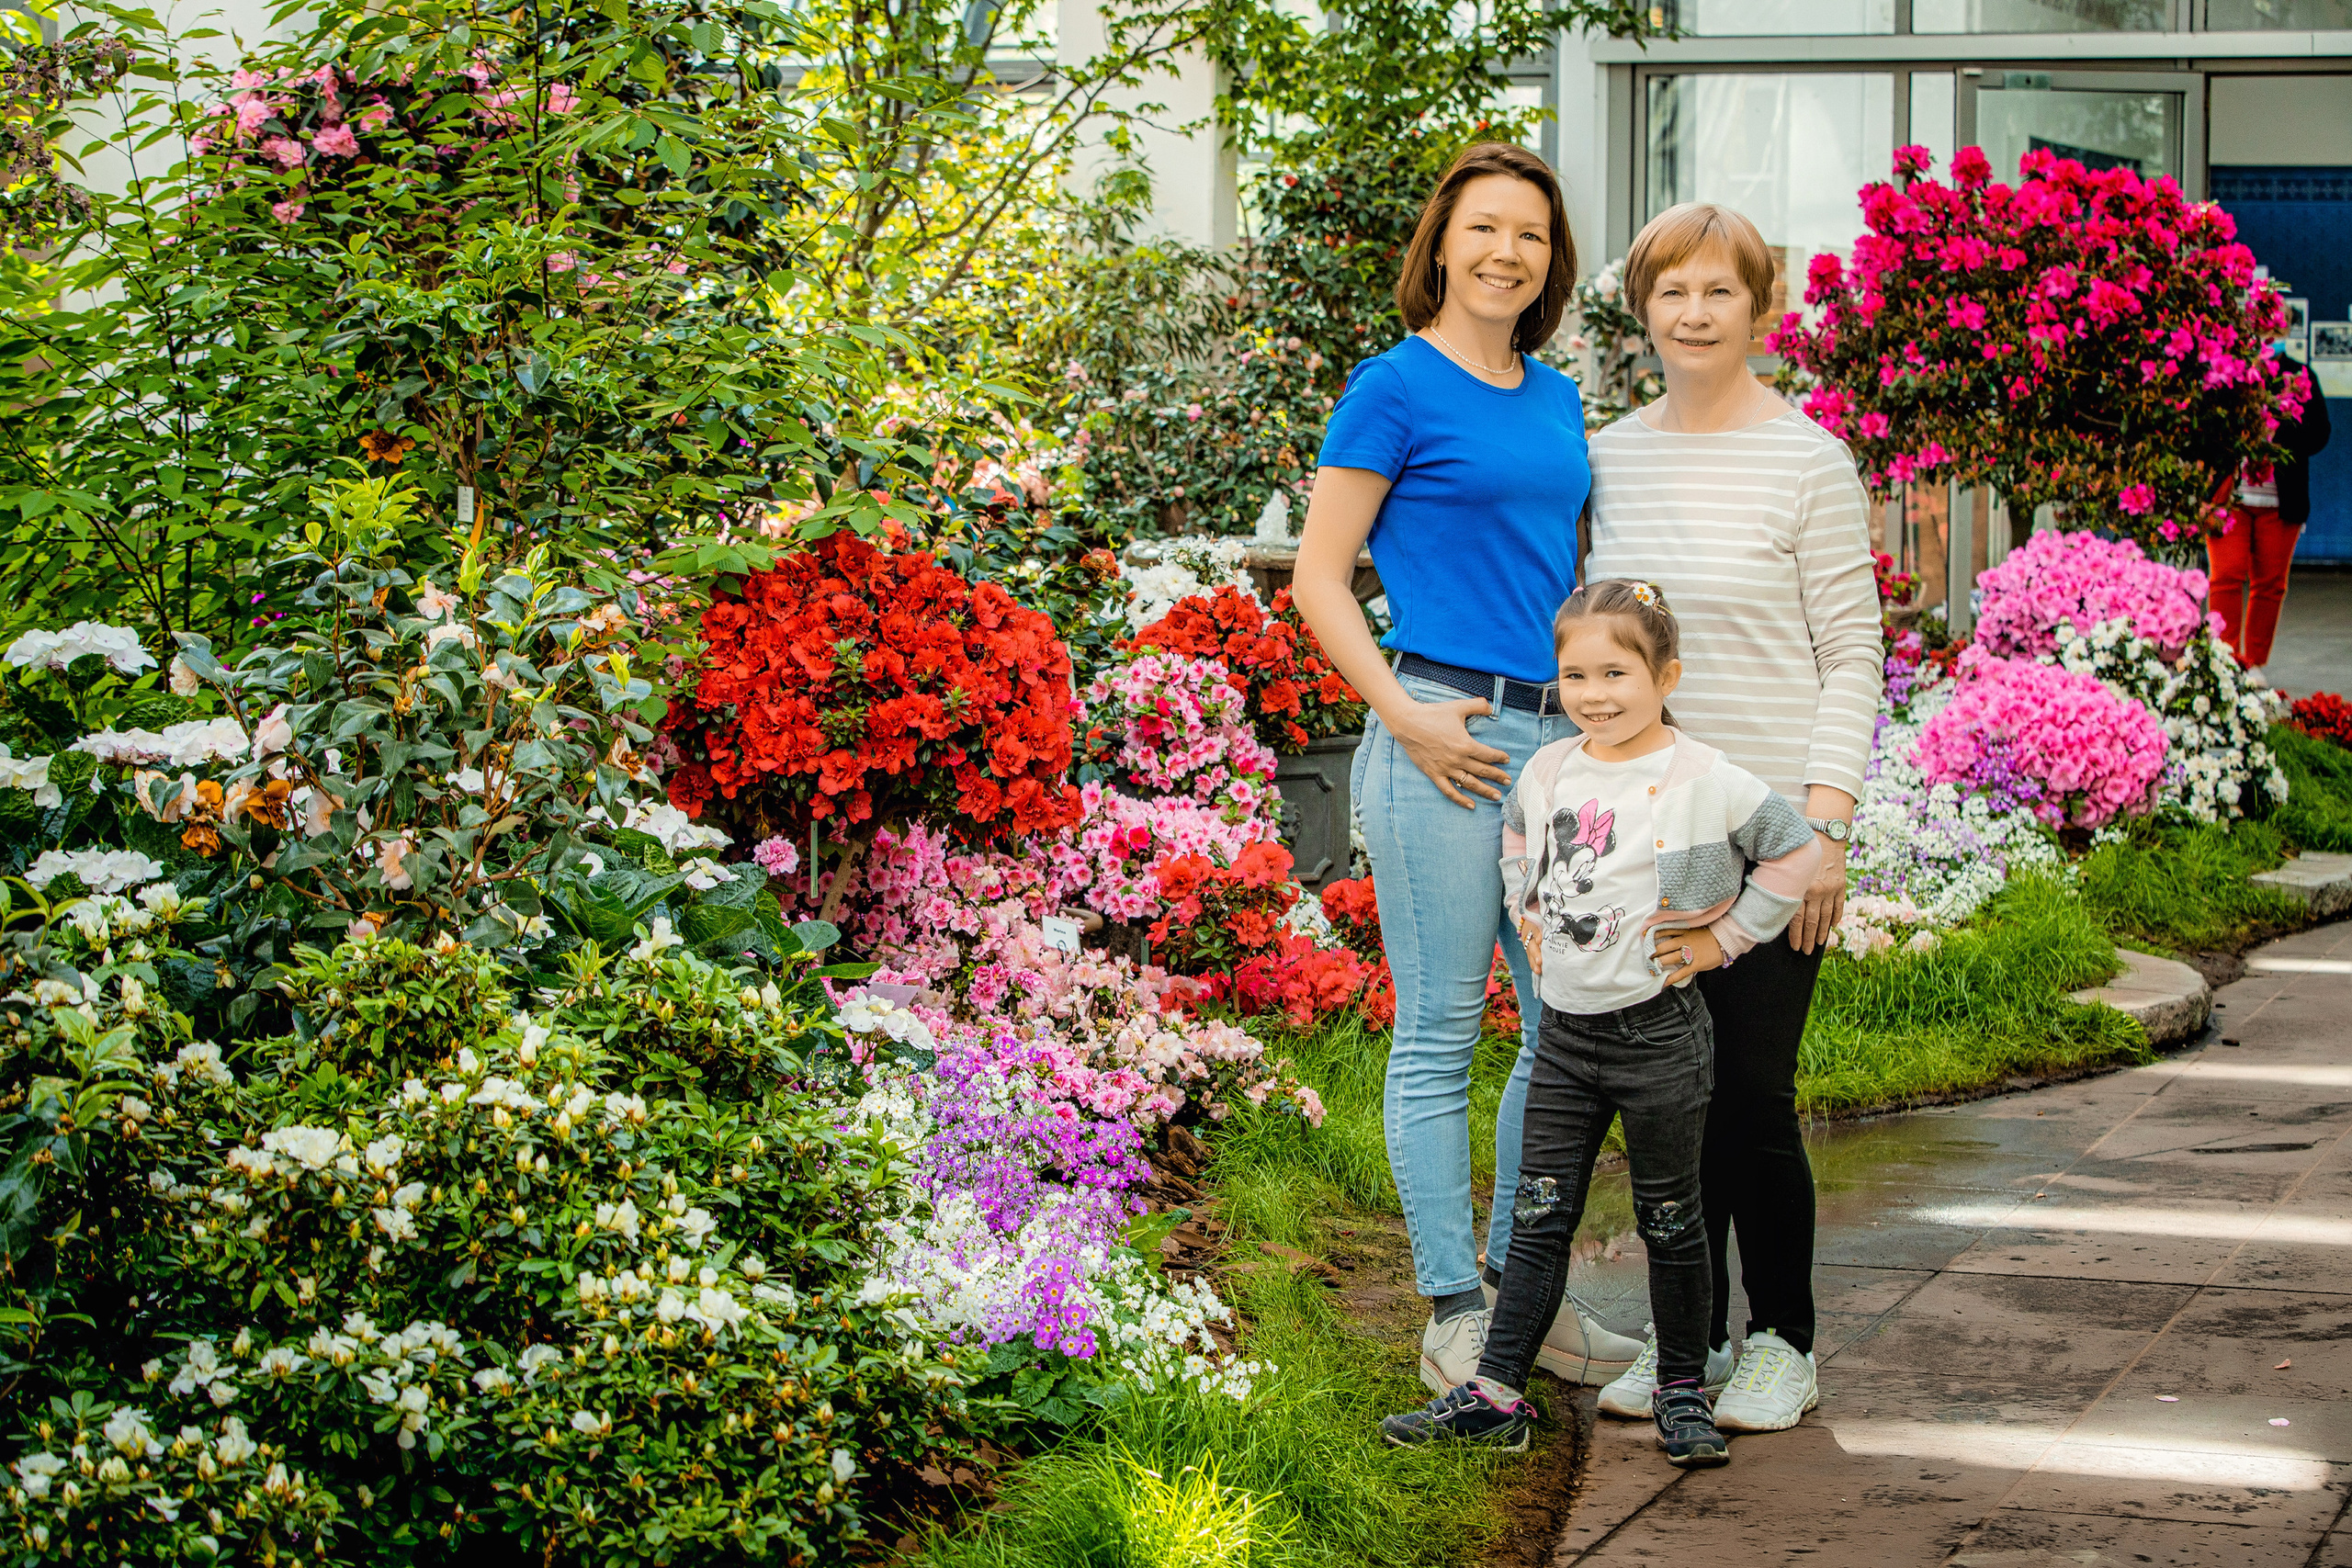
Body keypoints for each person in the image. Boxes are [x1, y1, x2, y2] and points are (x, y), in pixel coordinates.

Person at [1292, 142, 1645, 1395]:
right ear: (1442, 242)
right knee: (1442, 1031)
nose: (1507, 251)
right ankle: (1453, 1305)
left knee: (1566, 1035)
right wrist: (1403, 706)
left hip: (1560, 746)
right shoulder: (1392, 387)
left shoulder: (1554, 399)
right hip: (1440, 734)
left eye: (1532, 236)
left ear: (1551, 264)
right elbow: (1319, 577)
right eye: (1485, 228)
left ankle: (1524, 1297)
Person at [1377, 580, 1821, 1463]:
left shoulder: (1701, 775)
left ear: (1667, 676)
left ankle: (1683, 1387)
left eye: (1615, 672)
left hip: (1658, 1041)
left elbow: (1796, 848)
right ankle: (1497, 1391)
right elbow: (1516, 838)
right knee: (1538, 1216)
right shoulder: (1549, 770)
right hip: (1569, 1048)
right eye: (1575, 674)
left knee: (1670, 1217)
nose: (1593, 693)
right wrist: (1528, 911)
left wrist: (1722, 940)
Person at [1581, 202, 1882, 1434]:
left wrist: (1826, 823)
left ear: (1761, 308)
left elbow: (1852, 650)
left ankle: (1784, 1338)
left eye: (1719, 291)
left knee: (1753, 1090)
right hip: (1653, 830)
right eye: (1672, 292)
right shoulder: (1608, 456)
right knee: (1665, 1100)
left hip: (1770, 831)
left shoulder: (1809, 460)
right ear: (1641, 309)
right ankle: (1687, 1334)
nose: (1694, 313)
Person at [2208, 370, 2332, 686]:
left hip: (2280, 501)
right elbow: (2204, 429)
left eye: (2281, 322)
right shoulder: (2228, 369)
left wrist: (2282, 425)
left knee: (2271, 584)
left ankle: (2253, 663)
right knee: (2226, 576)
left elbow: (2319, 434)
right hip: (2229, 498)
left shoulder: (2298, 375)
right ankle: (2225, 658)